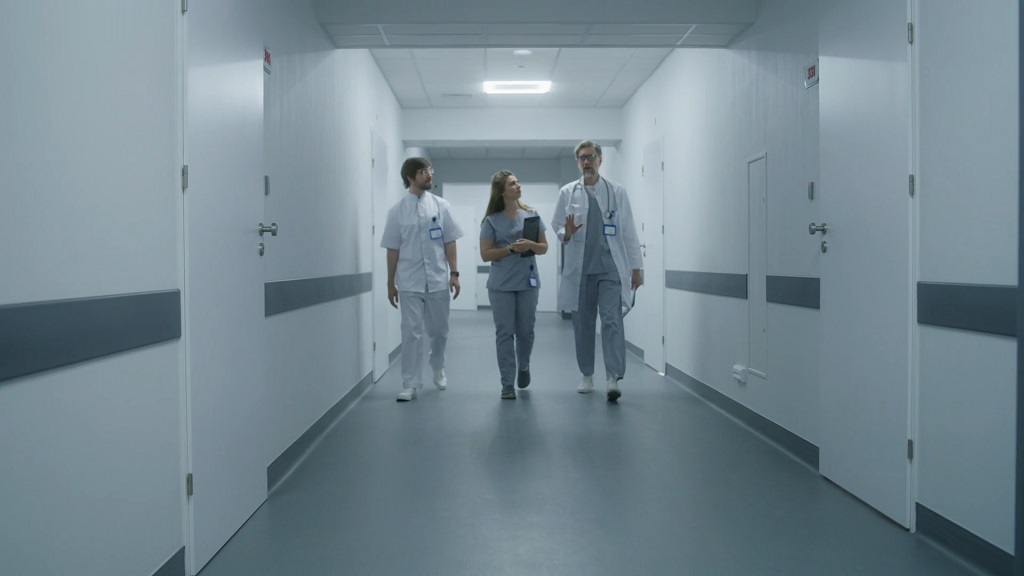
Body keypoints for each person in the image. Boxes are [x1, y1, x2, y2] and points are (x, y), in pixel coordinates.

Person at [552, 140, 643, 402]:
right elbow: (558, 226)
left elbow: (628, 232)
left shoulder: (617, 192)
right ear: (577, 162)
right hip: (581, 272)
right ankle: (587, 374)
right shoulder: (567, 193)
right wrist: (565, 233)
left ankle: (613, 378)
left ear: (600, 160)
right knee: (583, 324)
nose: (586, 161)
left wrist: (636, 268)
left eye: (591, 156)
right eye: (581, 158)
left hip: (611, 269)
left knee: (612, 321)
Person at [381, 157, 463, 402]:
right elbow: (392, 250)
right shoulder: (396, 212)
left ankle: (437, 366)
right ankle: (410, 383)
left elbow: (449, 241)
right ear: (410, 177)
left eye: (430, 171)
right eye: (423, 172)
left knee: (439, 330)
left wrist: (455, 273)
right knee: (411, 333)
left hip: (437, 278)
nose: (429, 175)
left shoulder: (441, 205)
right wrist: (390, 283)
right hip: (409, 282)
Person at [480, 170, 549, 400]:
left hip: (528, 282)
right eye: (512, 183)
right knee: (504, 334)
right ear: (502, 192)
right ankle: (507, 384)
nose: (518, 185)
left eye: (518, 182)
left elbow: (544, 247)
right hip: (501, 285)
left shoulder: (531, 215)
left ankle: (524, 366)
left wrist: (531, 244)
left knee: (526, 332)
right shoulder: (491, 220)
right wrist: (510, 248)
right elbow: (485, 254)